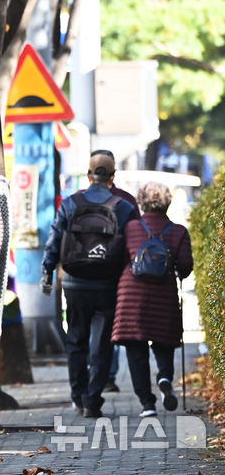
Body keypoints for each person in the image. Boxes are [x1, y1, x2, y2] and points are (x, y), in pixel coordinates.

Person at [41, 152, 138, 417]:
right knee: (103, 344)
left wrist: (48, 271)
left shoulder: (71, 204)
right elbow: (134, 247)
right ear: (112, 177)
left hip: (75, 283)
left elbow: (54, 239)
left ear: (88, 175)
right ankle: (93, 398)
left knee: (76, 340)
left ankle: (78, 397)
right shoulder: (123, 207)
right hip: (108, 284)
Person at [111, 181, 193, 417]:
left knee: (136, 349)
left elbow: (119, 258)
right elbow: (186, 267)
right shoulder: (178, 231)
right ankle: (165, 377)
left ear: (142, 202)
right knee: (163, 341)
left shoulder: (131, 228)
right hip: (163, 293)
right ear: (167, 202)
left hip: (131, 295)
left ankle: (147, 404)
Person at [88, 150, 141, 393]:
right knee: (112, 326)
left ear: (89, 173)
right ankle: (106, 376)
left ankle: (90, 381)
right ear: (113, 173)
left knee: (87, 329)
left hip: (82, 274)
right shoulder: (127, 201)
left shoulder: (77, 199)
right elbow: (136, 238)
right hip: (117, 275)